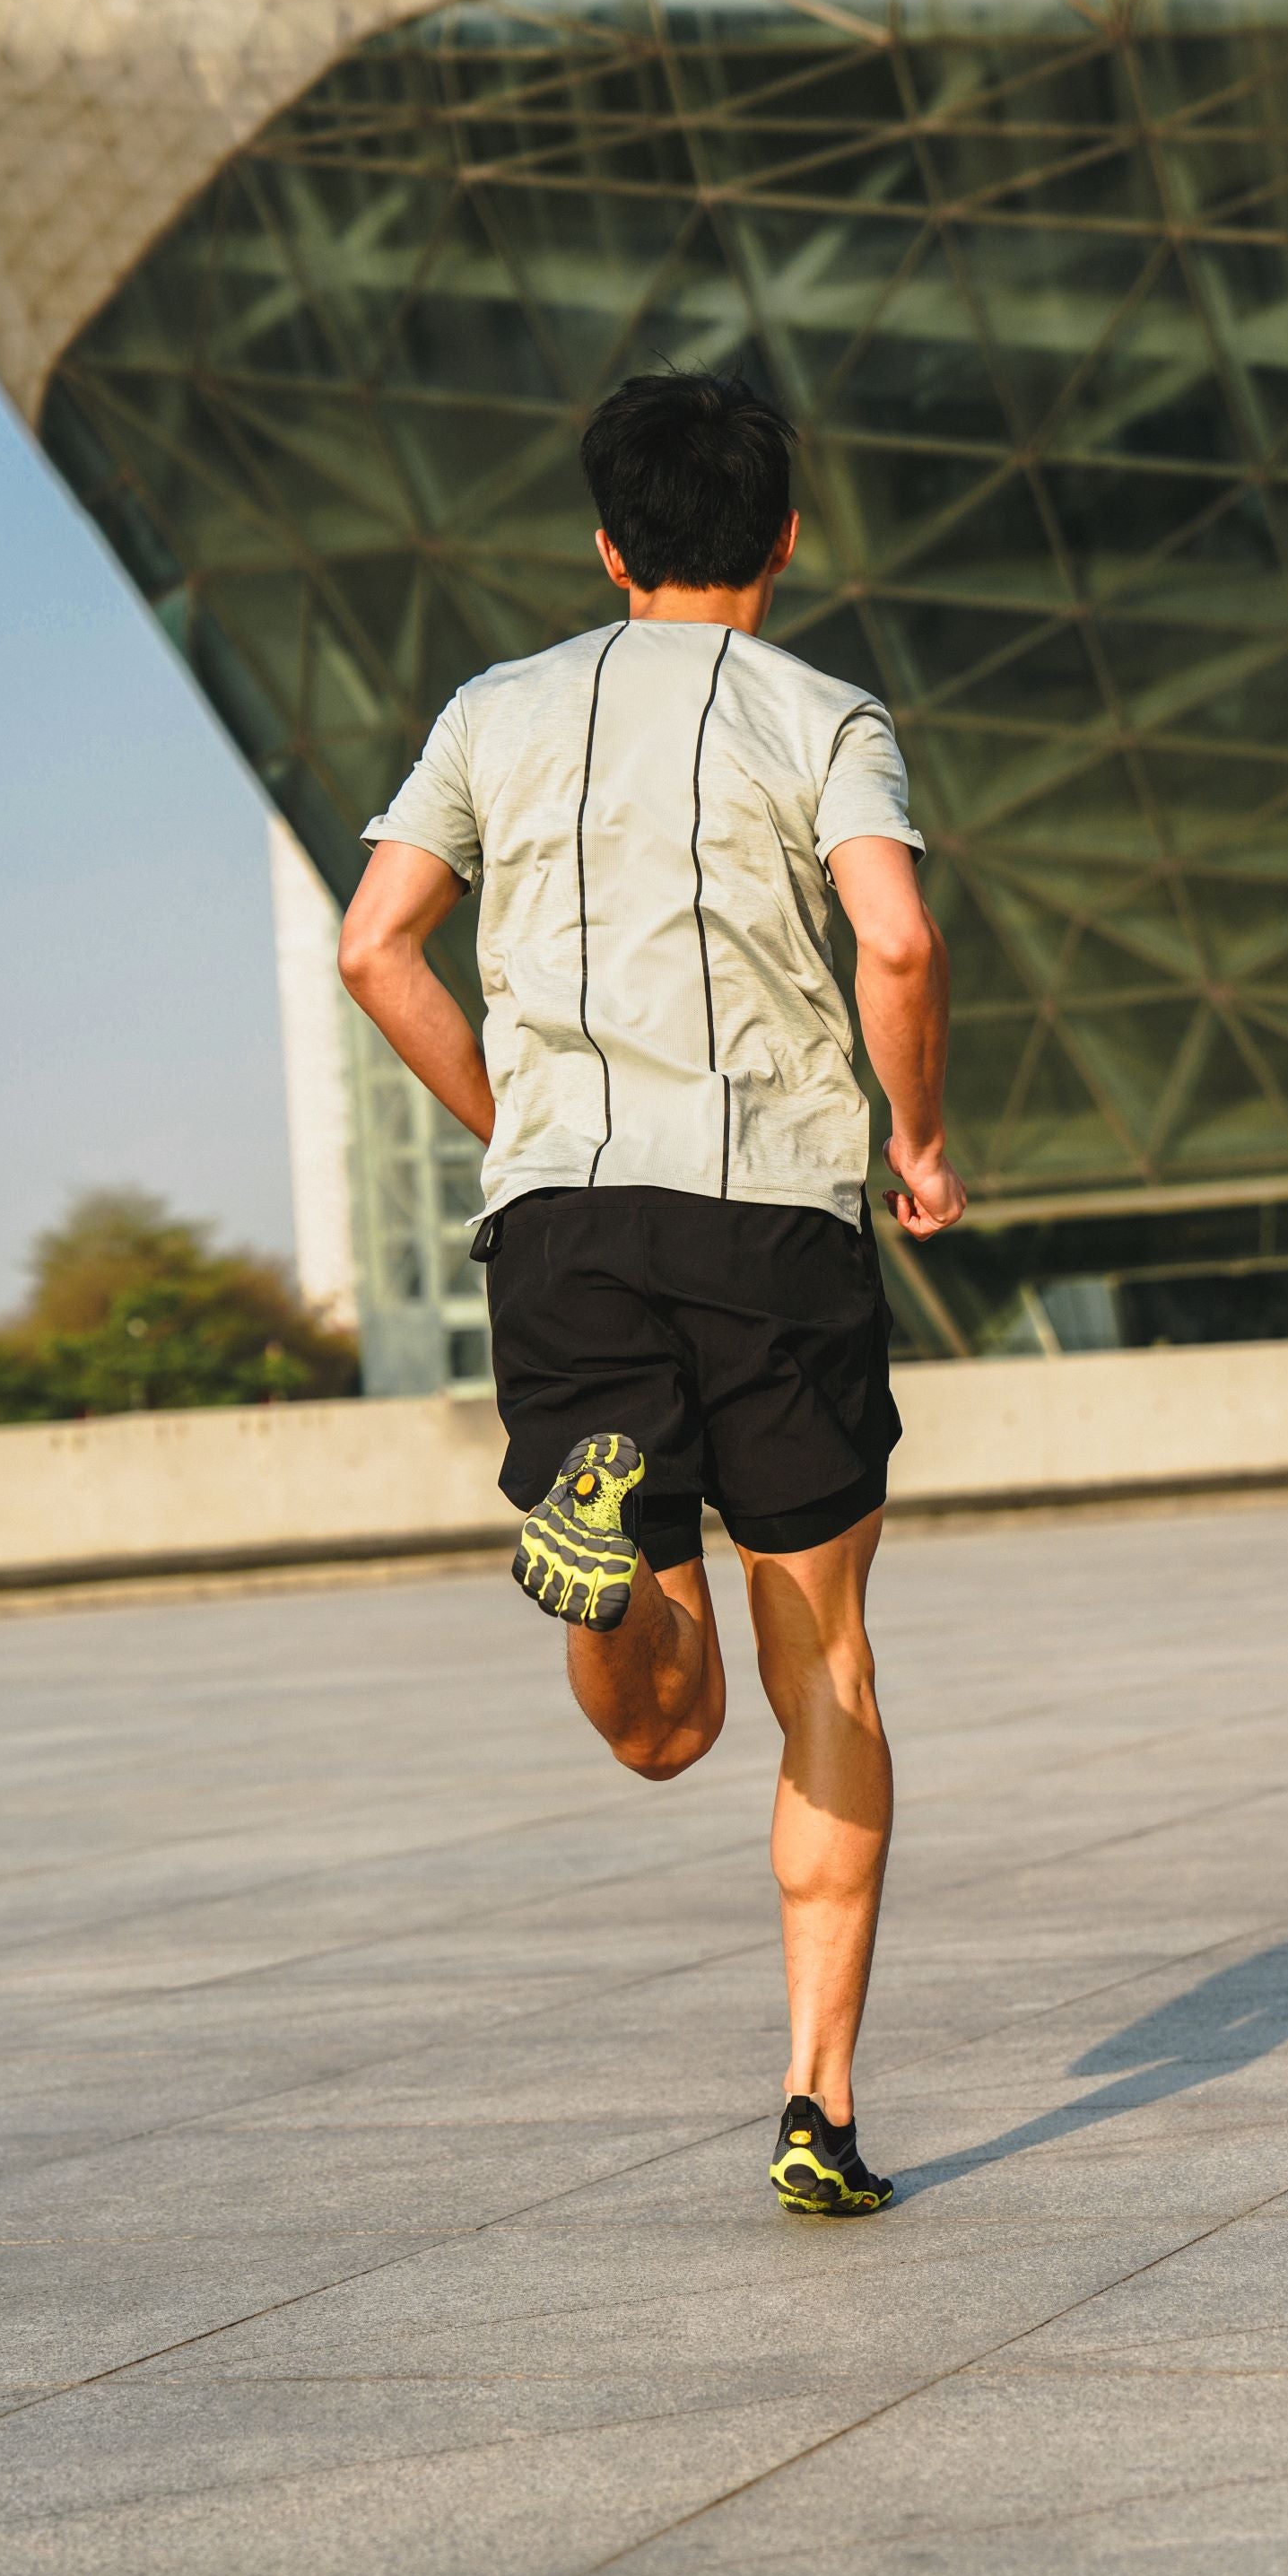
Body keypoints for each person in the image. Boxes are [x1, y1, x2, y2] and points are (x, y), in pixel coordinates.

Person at [338, 370, 965, 2218]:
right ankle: (815, 2107)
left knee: (656, 1729)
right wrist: (918, 1146)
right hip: (771, 1219)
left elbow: (376, 947)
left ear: (606, 546)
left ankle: (596, 1545)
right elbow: (899, 935)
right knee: (822, 1670)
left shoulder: (490, 711)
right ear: (785, 535)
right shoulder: (825, 712)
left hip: (565, 1224)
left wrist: (513, 1115)